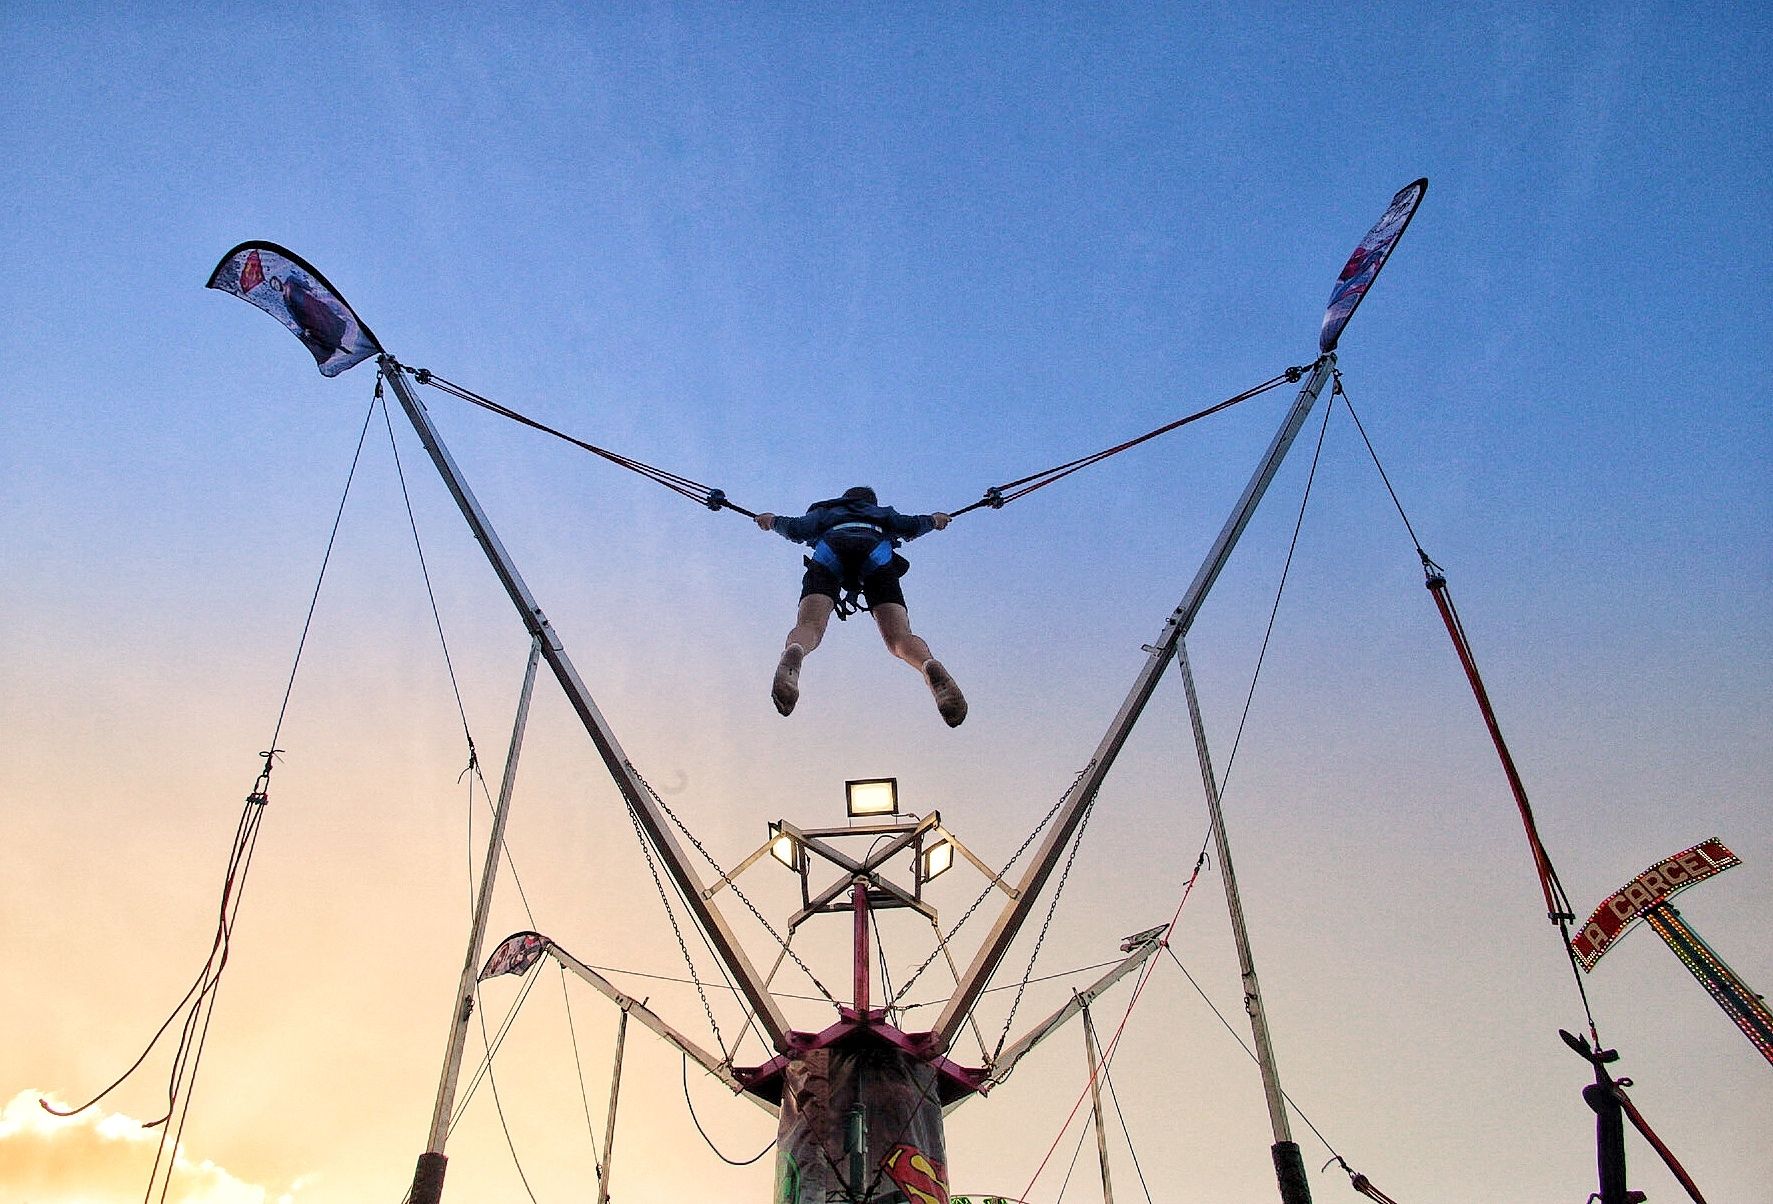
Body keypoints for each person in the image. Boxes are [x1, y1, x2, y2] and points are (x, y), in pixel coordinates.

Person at [754, 486, 967, 727]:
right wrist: (935, 521)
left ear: (844, 499)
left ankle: (795, 650)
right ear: (872, 502)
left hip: (830, 551)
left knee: (809, 625)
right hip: (876, 553)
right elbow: (910, 525)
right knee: (898, 638)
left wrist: (771, 521)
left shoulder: (825, 511)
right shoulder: (882, 513)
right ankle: (928, 665)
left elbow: (796, 529)